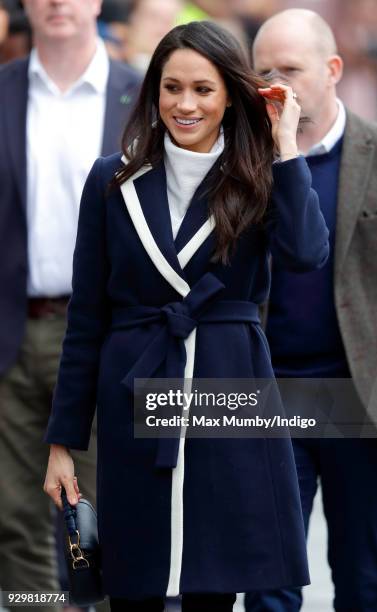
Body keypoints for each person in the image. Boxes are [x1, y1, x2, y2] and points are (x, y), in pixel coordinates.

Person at [43, 20, 329, 611]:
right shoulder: (113, 178)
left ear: (230, 94)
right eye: (171, 88)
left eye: (203, 89)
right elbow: (86, 318)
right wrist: (63, 442)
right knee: (135, 580)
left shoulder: (258, 175)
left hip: (227, 383)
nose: (185, 103)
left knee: (211, 580)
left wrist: (286, 146)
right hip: (136, 388)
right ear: (154, 92)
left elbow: (307, 254)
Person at [0, 0, 140, 608]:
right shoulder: (2, 91)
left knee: (100, 516)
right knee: (14, 516)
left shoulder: (143, 94)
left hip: (108, 336)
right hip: (12, 330)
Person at [245, 8, 377, 612]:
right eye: (263, 71)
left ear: (332, 70)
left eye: (291, 69)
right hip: (268, 394)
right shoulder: (240, 164)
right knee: (267, 581)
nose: (276, 84)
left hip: (363, 394)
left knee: (367, 578)